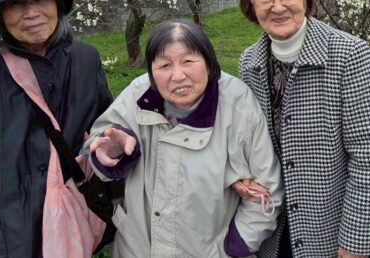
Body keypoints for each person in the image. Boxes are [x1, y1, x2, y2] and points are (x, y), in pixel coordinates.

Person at [84, 19, 283, 257]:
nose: (178, 75)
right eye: (164, 65)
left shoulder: (238, 104)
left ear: (209, 62)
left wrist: (235, 246)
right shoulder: (137, 95)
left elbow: (268, 190)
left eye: (188, 61)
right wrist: (111, 150)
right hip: (137, 249)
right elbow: (101, 144)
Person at [234, 0, 370, 258]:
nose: (278, 6)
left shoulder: (348, 55)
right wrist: (237, 176)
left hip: (330, 232)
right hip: (270, 228)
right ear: (251, 5)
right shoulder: (250, 63)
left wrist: (355, 243)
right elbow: (245, 140)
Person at [0, 0, 113, 257]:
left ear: (57, 3)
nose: (31, 13)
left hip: (69, 224)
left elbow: (103, 128)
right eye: (15, 3)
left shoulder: (85, 61)